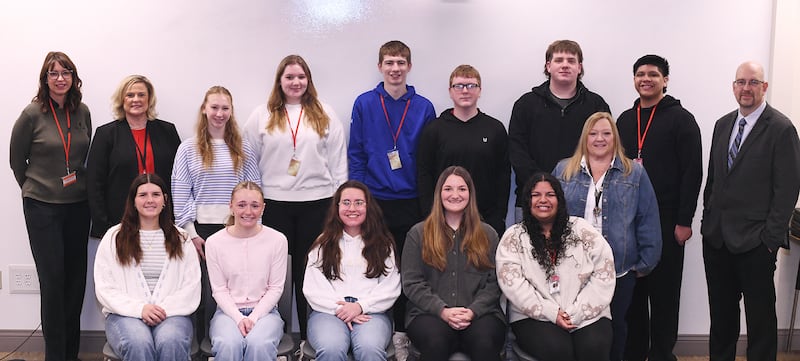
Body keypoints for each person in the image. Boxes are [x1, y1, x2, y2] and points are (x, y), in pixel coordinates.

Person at [243, 54, 347, 339]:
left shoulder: (324, 112)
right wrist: (253, 204)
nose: (295, 82)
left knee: (309, 272)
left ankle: (306, 338)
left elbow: (338, 161)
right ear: (279, 81)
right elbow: (249, 160)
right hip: (274, 205)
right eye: (289, 77)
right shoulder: (262, 114)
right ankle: (274, 334)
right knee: (274, 275)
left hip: (319, 203)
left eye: (301, 77)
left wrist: (340, 202)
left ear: (308, 80)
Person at [701, 61, 800, 361]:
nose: (746, 88)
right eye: (741, 82)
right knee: (721, 317)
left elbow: (787, 191)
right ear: (733, 87)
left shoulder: (781, 129)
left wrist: (769, 240)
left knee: (760, 321)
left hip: (756, 243)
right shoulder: (723, 124)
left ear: (764, 87)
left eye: (753, 82)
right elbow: (714, 180)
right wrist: (708, 222)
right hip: (717, 240)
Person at [348, 40, 436, 354]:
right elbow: (356, 152)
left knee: (409, 268)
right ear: (380, 67)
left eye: (400, 63)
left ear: (409, 67)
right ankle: (376, 331)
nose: (395, 69)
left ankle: (403, 332)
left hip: (412, 201)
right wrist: (359, 198)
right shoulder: (365, 103)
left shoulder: (424, 106)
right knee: (376, 267)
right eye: (389, 63)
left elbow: (428, 161)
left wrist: (428, 205)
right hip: (376, 200)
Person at [552, 112, 661, 361]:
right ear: (584, 138)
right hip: (572, 268)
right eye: (593, 133)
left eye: (606, 133)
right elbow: (551, 216)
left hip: (618, 269)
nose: (599, 138)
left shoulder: (633, 173)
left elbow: (647, 218)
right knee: (576, 326)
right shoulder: (563, 170)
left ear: (615, 137)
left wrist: (645, 263)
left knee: (616, 327)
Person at [616, 55, 703, 361]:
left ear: (665, 80)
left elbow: (693, 172)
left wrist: (684, 221)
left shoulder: (682, 119)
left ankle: (663, 353)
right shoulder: (625, 120)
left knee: (664, 294)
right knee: (633, 295)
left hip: (667, 220)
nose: (646, 79)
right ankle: (635, 352)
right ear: (634, 79)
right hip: (629, 221)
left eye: (653, 74)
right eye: (640, 74)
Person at [9, 51, 92, 361]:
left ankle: (71, 354)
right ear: (45, 79)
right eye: (53, 73)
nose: (60, 78)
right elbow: (17, 161)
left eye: (66, 72)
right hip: (42, 207)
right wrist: (34, 190)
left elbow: (81, 156)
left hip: (77, 206)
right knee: (53, 281)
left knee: (75, 281)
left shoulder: (82, 111)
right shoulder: (31, 115)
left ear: (74, 77)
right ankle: (55, 356)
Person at [171, 86, 261, 343]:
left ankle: (228, 343)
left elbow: (254, 191)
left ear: (231, 112)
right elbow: (180, 191)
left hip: (236, 230)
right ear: (204, 109)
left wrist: (252, 232)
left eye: (225, 108)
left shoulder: (243, 148)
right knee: (202, 293)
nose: (219, 113)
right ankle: (201, 347)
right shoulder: (188, 148)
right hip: (200, 232)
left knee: (231, 291)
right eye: (214, 107)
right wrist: (190, 234)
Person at [496, 172, 615, 361]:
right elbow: (513, 285)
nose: (543, 200)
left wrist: (575, 313)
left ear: (559, 199)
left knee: (594, 347)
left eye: (550, 195)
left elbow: (604, 272)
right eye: (536, 195)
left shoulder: (582, 230)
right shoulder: (513, 237)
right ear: (527, 201)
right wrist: (551, 312)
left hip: (586, 313)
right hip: (533, 316)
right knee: (558, 350)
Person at [94, 173, 201, 361]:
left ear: (165, 200)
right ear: (133, 201)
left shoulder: (182, 239)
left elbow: (191, 286)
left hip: (172, 313)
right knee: (139, 343)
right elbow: (105, 288)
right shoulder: (113, 238)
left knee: (171, 341)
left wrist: (161, 310)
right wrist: (140, 309)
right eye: (143, 195)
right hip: (124, 315)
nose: (150, 200)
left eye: (156, 194)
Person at [402, 166, 505, 361]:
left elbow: (496, 281)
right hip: (428, 315)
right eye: (448, 189)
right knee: (436, 342)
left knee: (485, 342)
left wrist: (473, 311)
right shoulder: (418, 233)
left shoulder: (489, 234)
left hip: (481, 315)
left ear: (470, 194)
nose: (455, 195)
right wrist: (442, 310)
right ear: (439, 194)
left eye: (462, 189)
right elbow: (412, 282)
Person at [508, 39, 610, 221]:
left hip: (582, 200)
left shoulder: (596, 105)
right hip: (532, 197)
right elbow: (517, 152)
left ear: (579, 67)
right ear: (548, 66)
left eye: (571, 61)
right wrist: (542, 185)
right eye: (559, 60)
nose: (565, 65)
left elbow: (605, 151)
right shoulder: (525, 105)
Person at [303, 181, 401, 361]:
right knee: (331, 348)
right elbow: (313, 287)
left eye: (359, 202)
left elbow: (391, 287)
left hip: (371, 313)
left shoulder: (383, 244)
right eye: (346, 202)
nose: (352, 208)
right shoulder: (323, 243)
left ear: (368, 206)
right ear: (337, 207)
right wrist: (341, 310)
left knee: (369, 348)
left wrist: (360, 307)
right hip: (328, 312)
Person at [417, 64, 510, 237]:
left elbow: (503, 177)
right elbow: (424, 174)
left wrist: (498, 217)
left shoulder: (495, 129)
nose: (465, 91)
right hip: (442, 220)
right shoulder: (434, 129)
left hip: (485, 220)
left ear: (480, 90)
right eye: (459, 86)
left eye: (471, 85)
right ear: (450, 91)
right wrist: (430, 215)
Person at [88, 75, 181, 238]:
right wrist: (105, 227)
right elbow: (94, 184)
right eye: (130, 95)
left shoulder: (168, 131)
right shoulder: (106, 134)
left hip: (162, 220)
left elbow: (180, 178)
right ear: (121, 99)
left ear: (149, 98)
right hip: (119, 222)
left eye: (141, 94)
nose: (136, 99)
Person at [206, 181, 288, 361]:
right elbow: (219, 290)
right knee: (228, 344)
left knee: (259, 344)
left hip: (266, 313)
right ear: (231, 206)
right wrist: (238, 318)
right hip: (227, 313)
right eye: (241, 205)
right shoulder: (214, 242)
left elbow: (275, 288)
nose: (248, 212)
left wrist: (253, 317)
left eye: (255, 206)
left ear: (263, 208)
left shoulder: (277, 240)